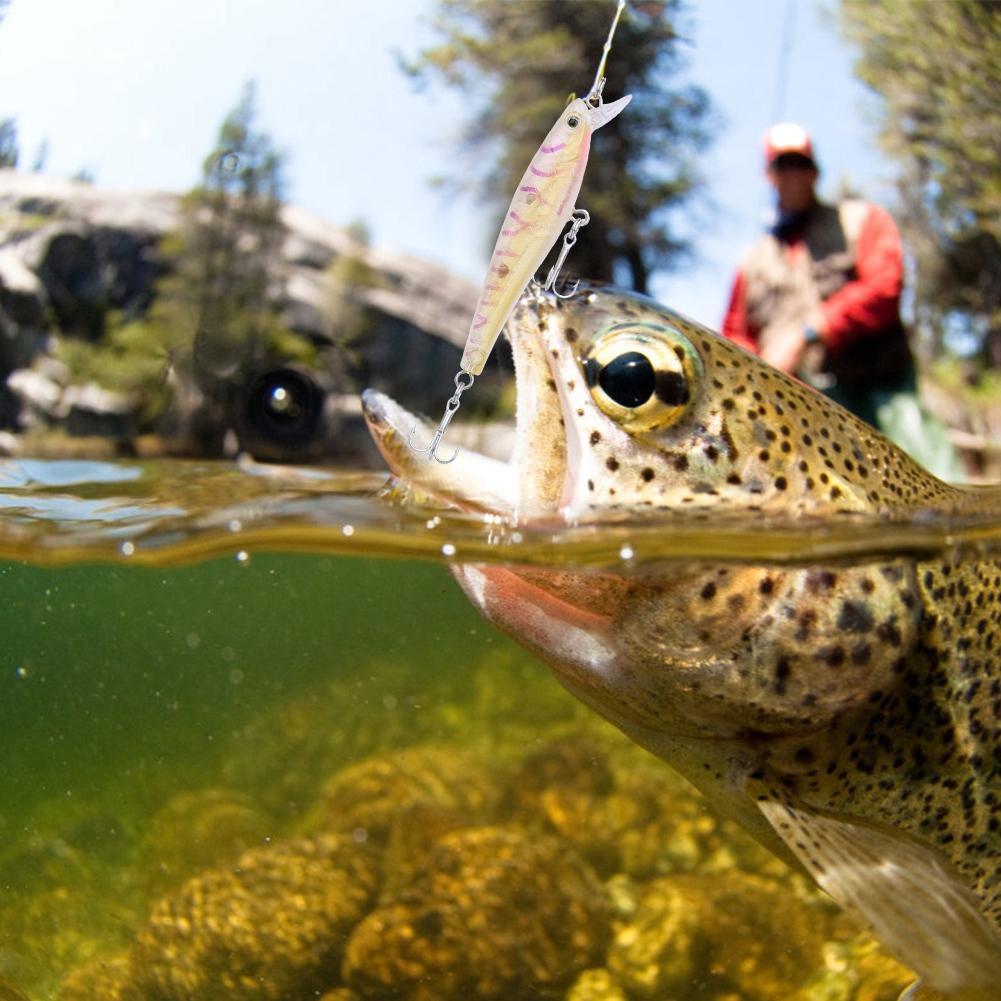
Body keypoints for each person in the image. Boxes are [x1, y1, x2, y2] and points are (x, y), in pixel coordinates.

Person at [721, 122, 962, 480]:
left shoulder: (862, 221)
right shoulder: (751, 263)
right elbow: (734, 335)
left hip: (882, 394)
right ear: (769, 175)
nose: (793, 175)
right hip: (801, 418)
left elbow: (884, 288)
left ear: (815, 171)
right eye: (783, 165)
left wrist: (809, 331)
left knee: (935, 487)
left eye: (800, 164)